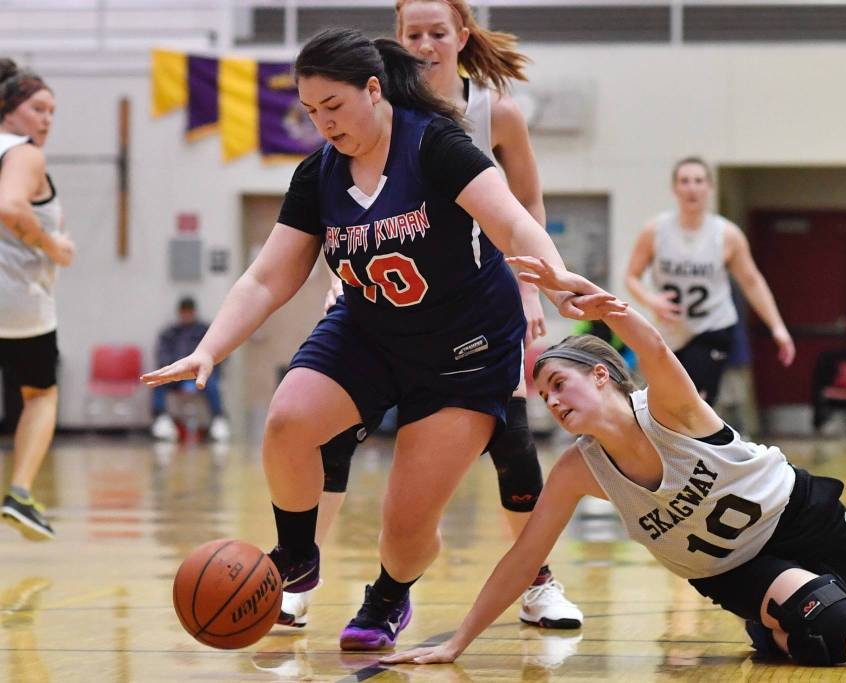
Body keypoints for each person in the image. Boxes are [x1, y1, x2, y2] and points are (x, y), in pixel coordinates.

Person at [141, 28, 608, 652]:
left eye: (333, 107)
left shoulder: (436, 144)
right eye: (310, 113)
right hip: (369, 328)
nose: (323, 123)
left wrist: (553, 280)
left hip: (464, 349)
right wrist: (210, 348)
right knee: (287, 421)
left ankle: (389, 593)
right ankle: (298, 554)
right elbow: (266, 277)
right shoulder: (319, 174)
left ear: (373, 89)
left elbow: (513, 223)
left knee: (406, 524)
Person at [382, 256, 846, 668]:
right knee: (840, 634)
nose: (554, 402)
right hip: (731, 571)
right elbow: (524, 558)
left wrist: (574, 287)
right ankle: (804, 610)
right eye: (545, 396)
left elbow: (654, 343)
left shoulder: (667, 408)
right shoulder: (578, 470)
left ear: (601, 374)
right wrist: (457, 641)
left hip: (797, 513)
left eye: (560, 383)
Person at [280, 0, 581, 632]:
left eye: (436, 32)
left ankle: (537, 581)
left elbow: (523, 208)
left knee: (513, 445)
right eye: (411, 32)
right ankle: (298, 576)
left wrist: (535, 291)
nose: (424, 43)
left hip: (476, 305)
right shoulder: (359, 121)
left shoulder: (487, 113)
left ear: (461, 36)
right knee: (319, 433)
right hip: (382, 293)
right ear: (395, 40)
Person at [625, 157, 794, 406]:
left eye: (698, 181)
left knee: (696, 401)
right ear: (675, 189)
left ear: (709, 188)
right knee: (663, 403)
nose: (692, 187)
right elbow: (631, 276)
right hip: (670, 329)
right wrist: (652, 300)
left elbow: (752, 281)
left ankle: (697, 441)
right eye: (685, 181)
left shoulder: (727, 234)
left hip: (712, 326)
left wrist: (777, 326)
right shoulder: (655, 231)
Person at [0, 59, 74, 541]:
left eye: (52, 111)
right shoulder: (24, 154)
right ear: (8, 111)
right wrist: (55, 246)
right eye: (37, 108)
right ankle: (21, 492)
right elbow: (9, 205)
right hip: (17, 301)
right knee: (41, 394)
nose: (46, 120)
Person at [150, 296, 230, 442]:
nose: (186, 315)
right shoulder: (169, 333)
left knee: (212, 384)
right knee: (157, 381)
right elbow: (162, 355)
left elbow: (219, 352)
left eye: (189, 312)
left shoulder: (205, 331)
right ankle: (161, 418)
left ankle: (219, 419)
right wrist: (175, 368)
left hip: (200, 374)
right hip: (177, 374)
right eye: (184, 312)